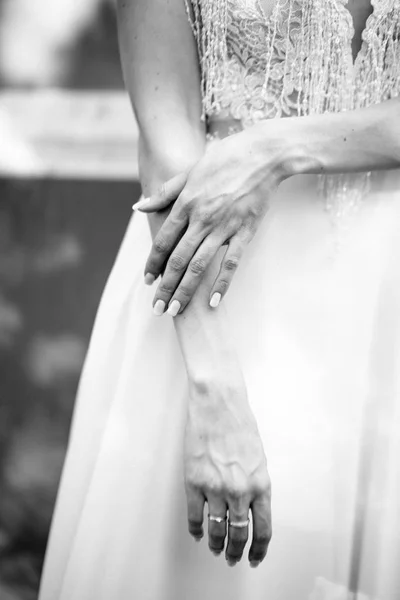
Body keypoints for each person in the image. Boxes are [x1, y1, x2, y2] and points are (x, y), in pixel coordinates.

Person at [38, 1, 400, 598]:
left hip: (384, 298)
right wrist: (214, 391)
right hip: (223, 293)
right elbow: (166, 138)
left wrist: (277, 148)